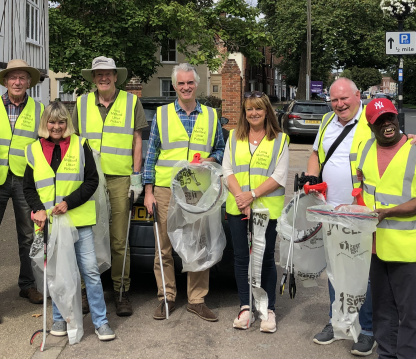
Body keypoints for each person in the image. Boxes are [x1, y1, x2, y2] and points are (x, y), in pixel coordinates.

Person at [303, 78, 416, 357]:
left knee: (366, 274)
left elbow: (398, 142)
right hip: (331, 209)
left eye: (344, 98)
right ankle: (338, 323)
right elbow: (316, 154)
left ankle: (368, 330)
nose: (339, 104)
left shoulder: (370, 120)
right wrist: (312, 176)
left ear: (358, 96)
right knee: (335, 270)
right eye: (334, 100)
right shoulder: (326, 122)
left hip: (362, 212)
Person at [350, 97, 416, 359]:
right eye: (380, 121)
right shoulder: (364, 149)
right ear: (371, 125)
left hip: (405, 246)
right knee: (383, 310)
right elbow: (361, 191)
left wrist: (390, 212)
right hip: (375, 244)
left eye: (390, 117)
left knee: (407, 313)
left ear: (397, 117)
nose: (387, 124)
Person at [23, 101, 116, 341]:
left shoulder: (81, 144)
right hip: (51, 225)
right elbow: (29, 187)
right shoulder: (33, 149)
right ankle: (60, 319)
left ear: (68, 123)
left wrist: (69, 202)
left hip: (79, 221)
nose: (56, 126)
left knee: (90, 272)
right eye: (52, 122)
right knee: (56, 274)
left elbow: (91, 181)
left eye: (61, 121)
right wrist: (37, 209)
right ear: (45, 123)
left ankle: (100, 322)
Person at [143, 62, 226, 321]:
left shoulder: (211, 115)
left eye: (190, 83)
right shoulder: (162, 114)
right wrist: (148, 191)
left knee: (198, 244)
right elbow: (151, 154)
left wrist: (210, 160)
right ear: (175, 86)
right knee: (164, 246)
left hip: (198, 191)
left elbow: (222, 151)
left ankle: (196, 299)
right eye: (181, 83)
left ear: (196, 85)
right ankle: (166, 297)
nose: (186, 87)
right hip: (166, 189)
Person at [72, 56, 148, 317]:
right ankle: (85, 290)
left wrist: (136, 175)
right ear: (93, 78)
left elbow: (137, 140)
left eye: (108, 74)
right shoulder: (81, 103)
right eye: (98, 74)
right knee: (86, 236)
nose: (103, 78)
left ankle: (120, 291)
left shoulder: (132, 101)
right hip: (88, 179)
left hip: (120, 178)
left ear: (116, 76)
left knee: (118, 239)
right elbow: (72, 141)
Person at [223, 91, 289, 333]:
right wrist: (242, 199)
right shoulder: (233, 137)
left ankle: (268, 309)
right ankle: (245, 307)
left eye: (258, 108)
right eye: (249, 109)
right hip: (238, 208)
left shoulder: (280, 140)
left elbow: (279, 176)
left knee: (266, 258)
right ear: (244, 112)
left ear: (266, 111)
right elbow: (227, 170)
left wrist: (252, 195)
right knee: (241, 258)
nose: (254, 113)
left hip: (266, 210)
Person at [0, 59, 45, 307]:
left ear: (29, 82)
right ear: (5, 82)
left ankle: (28, 286)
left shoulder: (40, 111)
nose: (17, 82)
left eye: (22, 78)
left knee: (29, 236)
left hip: (25, 181)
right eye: (13, 78)